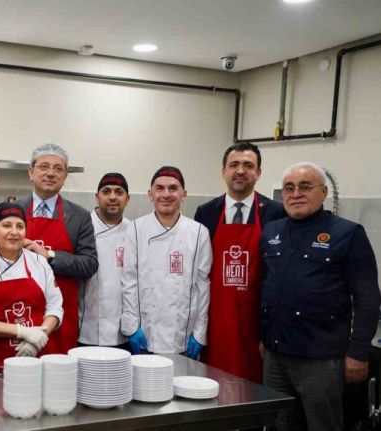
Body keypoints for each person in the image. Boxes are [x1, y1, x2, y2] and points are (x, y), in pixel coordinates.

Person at [260, 162, 380, 431]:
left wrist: (359, 352)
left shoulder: (348, 234)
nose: (296, 193)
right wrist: (262, 336)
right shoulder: (272, 232)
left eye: (305, 186)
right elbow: (266, 286)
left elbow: (368, 298)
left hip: (320, 359)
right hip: (275, 355)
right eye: (289, 188)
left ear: (324, 193)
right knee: (278, 424)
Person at [194, 142, 285, 381]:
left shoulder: (276, 213)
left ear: (259, 173)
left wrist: (270, 333)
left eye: (248, 165)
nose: (241, 171)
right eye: (234, 165)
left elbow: (280, 275)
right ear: (223, 171)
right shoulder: (206, 212)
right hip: (215, 320)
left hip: (256, 323)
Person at [121, 166, 212, 357]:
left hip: (182, 334)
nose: (166, 194)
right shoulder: (136, 229)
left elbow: (202, 286)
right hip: (145, 331)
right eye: (160, 188)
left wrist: (200, 332)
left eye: (173, 188)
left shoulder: (198, 232)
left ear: (183, 194)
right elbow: (129, 281)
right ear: (150, 194)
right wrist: (131, 326)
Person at [17, 143, 98, 354]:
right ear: (31, 172)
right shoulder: (13, 210)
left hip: (62, 315)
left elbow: (89, 264)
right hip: (18, 313)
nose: (51, 173)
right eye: (44, 166)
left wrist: (50, 256)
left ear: (64, 176)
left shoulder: (79, 216)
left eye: (58, 169)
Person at [0, 202, 63, 366]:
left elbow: (55, 306)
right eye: (6, 225)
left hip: (39, 356)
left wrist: (39, 336)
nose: (14, 232)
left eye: (20, 226)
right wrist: (23, 332)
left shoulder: (39, 262)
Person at [79, 173, 131, 348]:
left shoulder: (134, 231)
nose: (113, 197)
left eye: (119, 192)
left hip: (123, 331)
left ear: (127, 199)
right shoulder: (82, 226)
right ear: (97, 196)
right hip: (85, 327)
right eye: (106, 191)